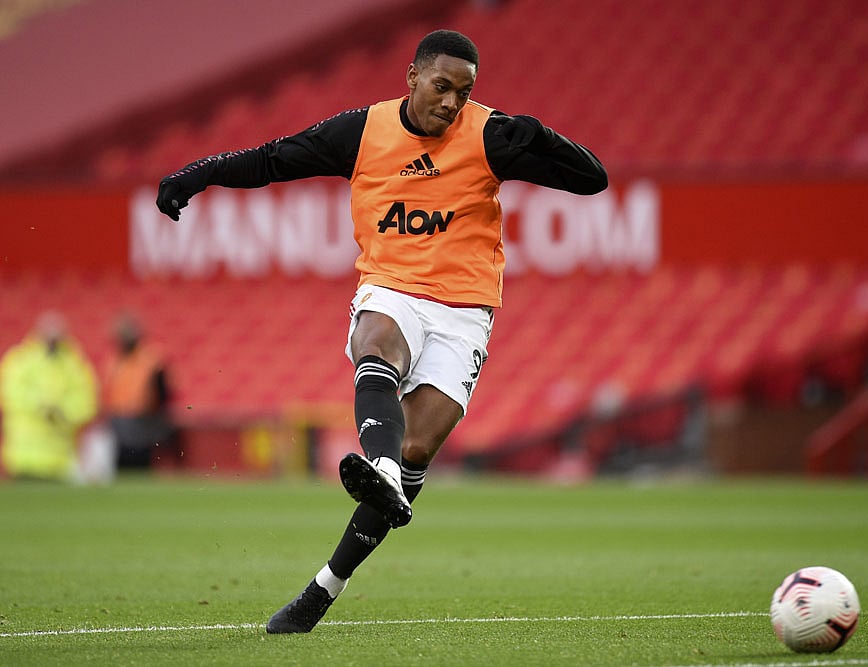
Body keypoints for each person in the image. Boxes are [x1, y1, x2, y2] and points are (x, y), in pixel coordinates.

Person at [156, 29, 607, 633]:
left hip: (464, 310)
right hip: (392, 288)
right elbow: (273, 159)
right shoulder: (363, 132)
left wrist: (544, 137)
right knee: (378, 344)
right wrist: (199, 173)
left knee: (417, 448)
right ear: (412, 77)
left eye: (463, 92)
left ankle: (323, 588)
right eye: (441, 87)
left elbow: (593, 179)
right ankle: (385, 471)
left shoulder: (488, 135)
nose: (451, 102)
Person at [0, 311, 99, 482]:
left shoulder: (74, 366)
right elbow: (10, 392)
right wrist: (41, 406)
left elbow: (86, 402)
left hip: (61, 459)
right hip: (22, 457)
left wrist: (62, 412)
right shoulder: (20, 361)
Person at [103, 313, 178, 471]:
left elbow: (164, 392)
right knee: (123, 468)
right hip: (119, 422)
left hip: (144, 422)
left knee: (142, 465)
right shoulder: (114, 361)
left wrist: (155, 416)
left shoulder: (151, 359)